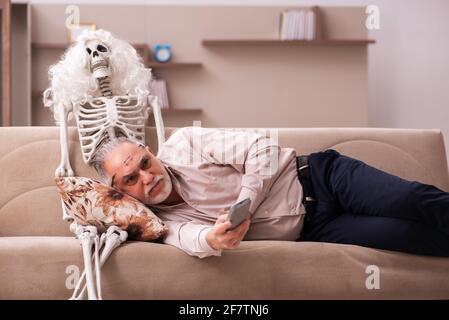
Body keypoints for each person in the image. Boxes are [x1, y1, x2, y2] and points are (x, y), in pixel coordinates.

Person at [92, 126, 449, 258]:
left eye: (143, 162)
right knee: (407, 235)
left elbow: (260, 149)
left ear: (148, 150)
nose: (146, 177)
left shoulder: (185, 142)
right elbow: (191, 239)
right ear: (121, 193)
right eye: (129, 180)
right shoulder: (158, 223)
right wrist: (214, 240)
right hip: (315, 230)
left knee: (409, 200)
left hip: (321, 176)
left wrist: (244, 205)